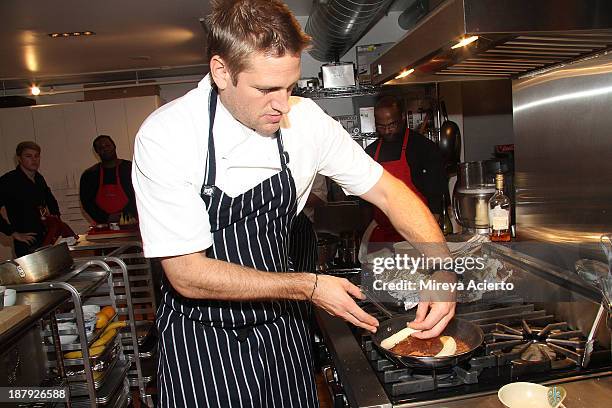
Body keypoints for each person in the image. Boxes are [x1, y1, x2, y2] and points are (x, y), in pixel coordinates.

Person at [132, 1, 455, 406]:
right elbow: (186, 273)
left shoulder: (307, 122)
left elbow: (389, 191)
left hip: (282, 328)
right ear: (221, 72)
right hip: (204, 340)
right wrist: (307, 285)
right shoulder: (169, 136)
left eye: (290, 87)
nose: (282, 105)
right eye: (266, 89)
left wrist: (441, 267)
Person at [365, 95, 447, 243]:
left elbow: (436, 195)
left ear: (402, 117)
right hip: (385, 236)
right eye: (381, 127)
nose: (388, 131)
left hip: (419, 233)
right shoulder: (370, 153)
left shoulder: (423, 148)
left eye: (392, 125)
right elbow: (365, 203)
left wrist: (431, 236)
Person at [0, 141, 61, 257]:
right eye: (28, 156)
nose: (34, 160)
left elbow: (51, 200)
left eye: (36, 156)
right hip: (27, 242)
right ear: (19, 158)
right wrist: (12, 232)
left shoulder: (39, 178)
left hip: (47, 237)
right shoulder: (8, 180)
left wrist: (56, 221)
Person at [79, 135, 137, 224]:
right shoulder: (89, 175)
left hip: (131, 222)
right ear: (97, 152)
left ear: (114, 146)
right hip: (103, 225)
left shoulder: (130, 169)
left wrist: (125, 216)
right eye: (100, 148)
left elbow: (139, 195)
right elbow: (87, 203)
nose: (105, 149)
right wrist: (106, 218)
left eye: (107, 145)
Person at [289, 174, 327, 273]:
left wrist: (285, 197)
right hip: (269, 230)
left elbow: (319, 197)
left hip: (301, 233)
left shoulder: (310, 160)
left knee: (304, 279)